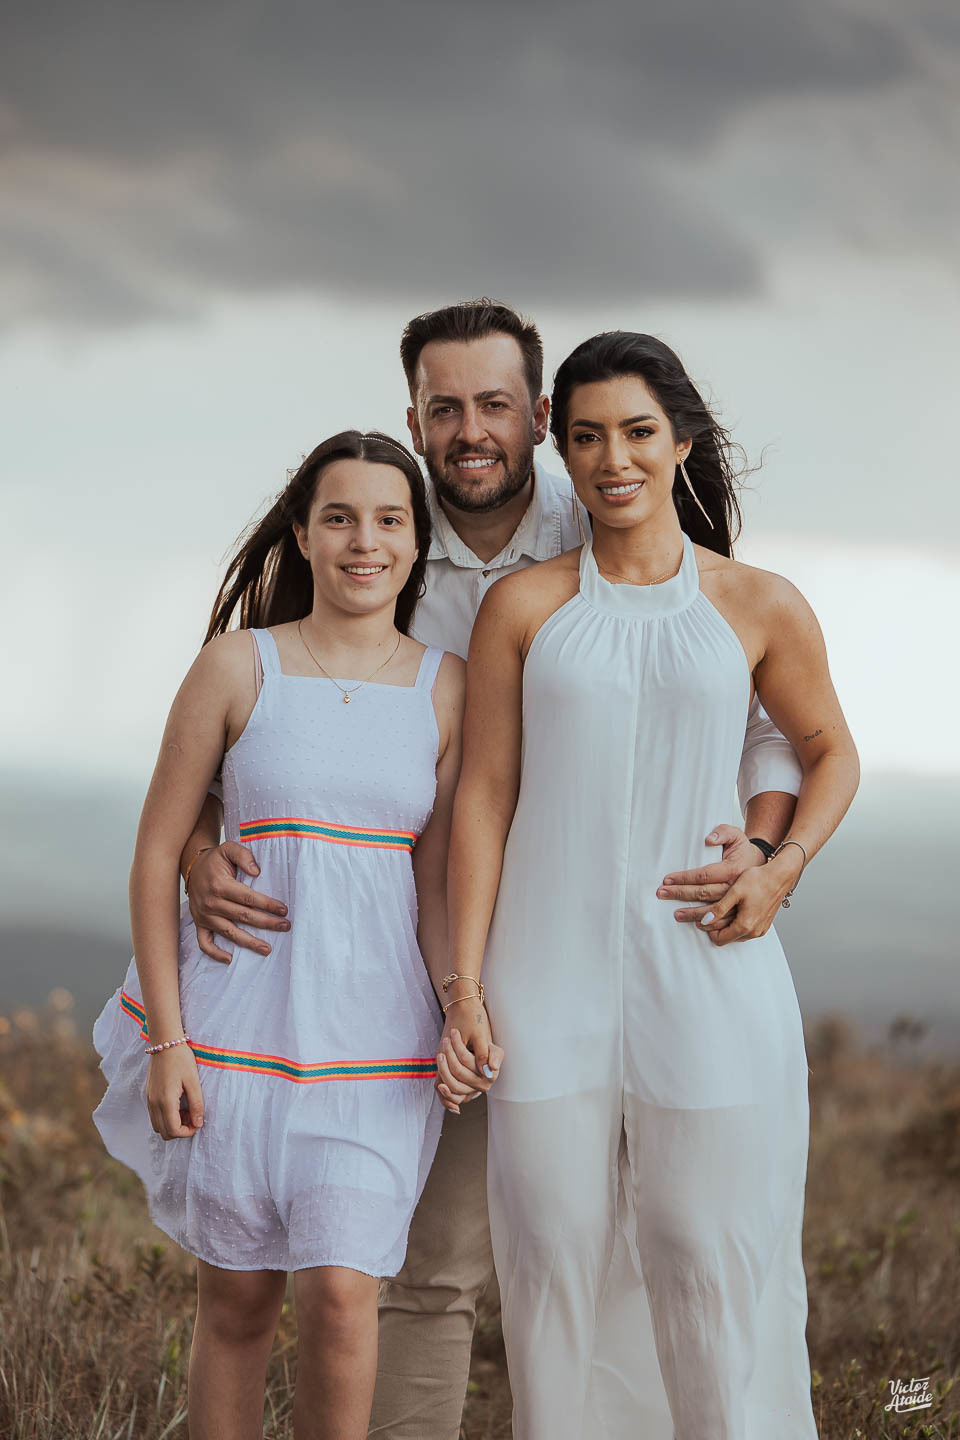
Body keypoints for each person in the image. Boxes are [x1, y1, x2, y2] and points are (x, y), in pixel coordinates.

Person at [180, 301, 806, 1439]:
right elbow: (254, 726)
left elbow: (757, 711)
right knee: (436, 1263)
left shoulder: (612, 508)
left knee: (662, 1242)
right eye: (445, 407)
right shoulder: (375, 524)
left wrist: (766, 849)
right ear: (413, 417)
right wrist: (191, 848)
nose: (472, 429)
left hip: (637, 951)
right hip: (422, 956)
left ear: (540, 415)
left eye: (496, 405)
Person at [437, 331, 860, 1439]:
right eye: (584, 436)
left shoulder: (757, 602)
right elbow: (483, 796)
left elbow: (830, 753)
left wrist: (779, 870)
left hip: (709, 969)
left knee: (702, 1253)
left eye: (634, 431)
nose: (610, 458)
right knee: (551, 1265)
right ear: (557, 447)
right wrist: (467, 988)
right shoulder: (523, 608)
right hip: (544, 978)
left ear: (681, 439)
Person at [91, 431, 465, 1440]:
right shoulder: (235, 666)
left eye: (390, 519)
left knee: (343, 1297)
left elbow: (435, 881)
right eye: (338, 516)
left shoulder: (449, 687)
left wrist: (460, 1001)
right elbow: (155, 853)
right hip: (234, 1024)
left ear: (416, 540)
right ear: (302, 534)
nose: (363, 541)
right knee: (241, 1302)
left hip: (375, 1042)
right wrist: (169, 1043)